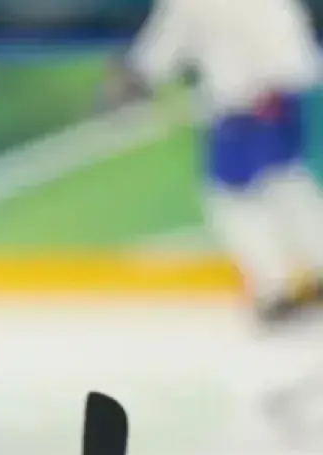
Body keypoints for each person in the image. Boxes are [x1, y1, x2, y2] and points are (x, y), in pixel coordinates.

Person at [104, 0, 323, 325]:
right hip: (280, 88)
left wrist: (139, 72)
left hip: (249, 98)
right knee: (285, 182)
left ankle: (274, 287)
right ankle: (304, 274)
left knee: (235, 195)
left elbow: (171, 35)